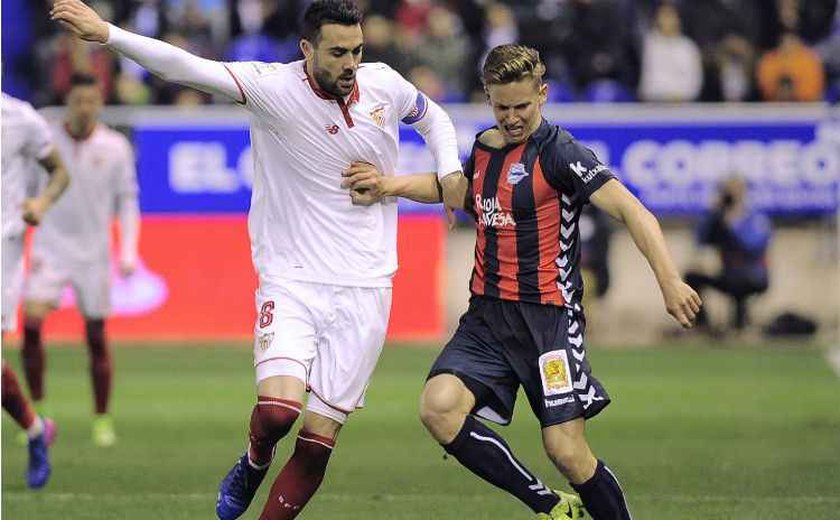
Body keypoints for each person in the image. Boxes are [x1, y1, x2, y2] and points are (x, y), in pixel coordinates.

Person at [50, 1, 465, 519]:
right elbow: (185, 67)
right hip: (292, 279)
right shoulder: (273, 88)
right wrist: (108, 34)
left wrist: (449, 169)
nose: (350, 63)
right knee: (277, 411)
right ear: (307, 49)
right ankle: (254, 457)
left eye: (357, 51)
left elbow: (435, 117)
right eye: (337, 52)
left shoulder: (384, 84)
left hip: (369, 286)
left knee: (317, 442)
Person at [344, 44, 702, 520]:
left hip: (548, 321)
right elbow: (452, 189)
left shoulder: (561, 153)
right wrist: (388, 185)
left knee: (566, 450)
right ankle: (551, 507)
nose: (511, 117)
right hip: (488, 318)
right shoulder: (485, 148)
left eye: (522, 107)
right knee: (439, 407)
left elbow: (632, 210)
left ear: (543, 94)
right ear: (488, 98)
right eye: (501, 106)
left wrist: (669, 280)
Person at [19, 73, 140, 448]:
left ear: (99, 103)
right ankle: (36, 414)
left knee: (95, 336)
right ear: (67, 103)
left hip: (94, 253)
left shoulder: (115, 146)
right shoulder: (46, 141)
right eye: (77, 101)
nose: (84, 108)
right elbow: (24, 191)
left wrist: (129, 250)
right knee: (33, 324)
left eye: (91, 101)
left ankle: (101, 417)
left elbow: (128, 201)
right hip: (50, 248)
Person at [2, 93, 71, 488]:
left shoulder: (21, 118)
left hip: (4, 244)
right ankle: (34, 428)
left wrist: (41, 203)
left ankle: (33, 428)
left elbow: (60, 171)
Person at [685, 176, 771, 333]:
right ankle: (703, 324)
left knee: (739, 281)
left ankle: (739, 325)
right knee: (692, 277)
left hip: (752, 275)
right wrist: (712, 214)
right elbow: (700, 239)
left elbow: (754, 246)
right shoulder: (718, 216)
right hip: (728, 273)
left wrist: (734, 224)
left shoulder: (754, 217)